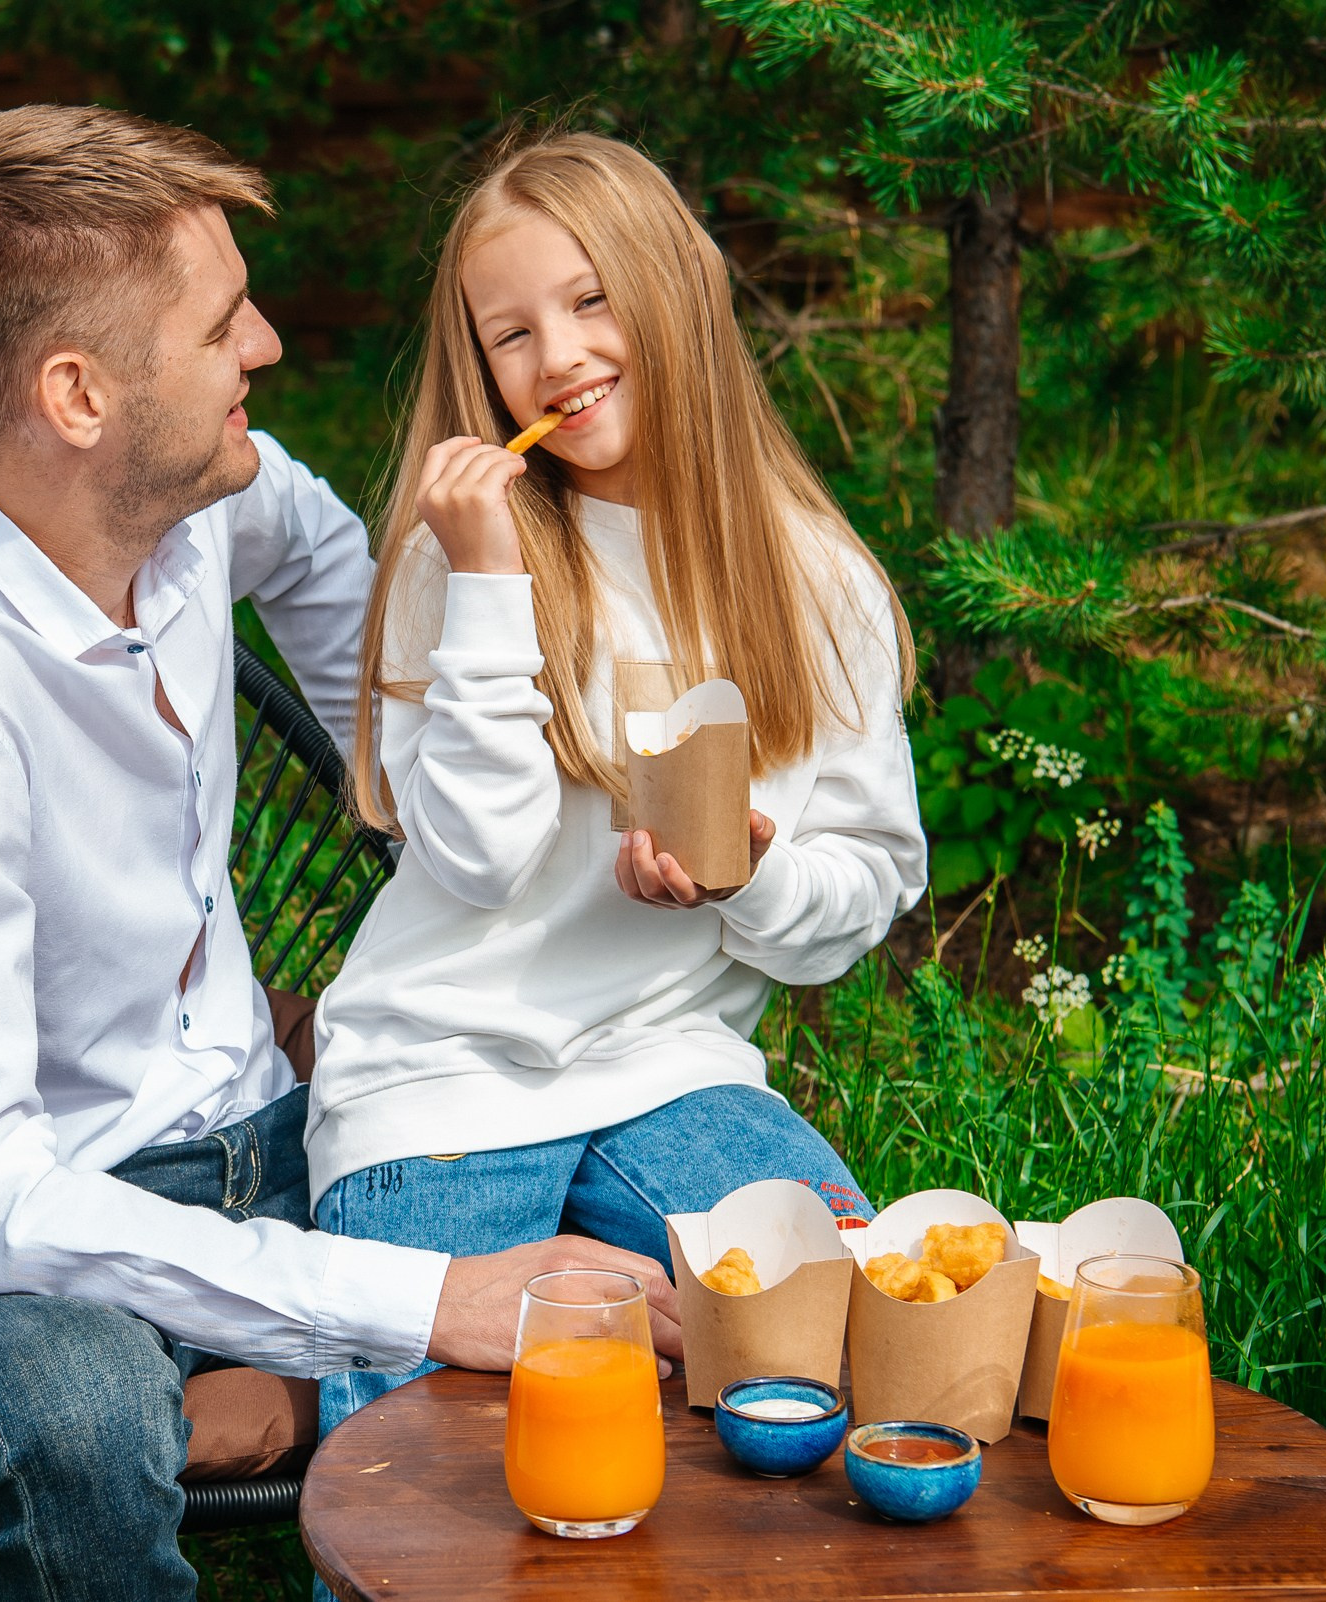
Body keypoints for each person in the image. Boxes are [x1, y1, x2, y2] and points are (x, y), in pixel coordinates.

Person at [0, 106, 680, 1602]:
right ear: (79, 395)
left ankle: (377, 1449)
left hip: (254, 1119)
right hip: (15, 1206)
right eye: (218, 325)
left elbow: (318, 554)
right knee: (78, 1422)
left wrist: (417, 788)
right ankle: (272, 1403)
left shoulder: (187, 501)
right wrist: (430, 1300)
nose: (265, 343)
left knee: (624, 1240)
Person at [307, 132, 927, 1438]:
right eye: (511, 333)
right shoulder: (458, 553)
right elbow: (478, 860)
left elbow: (865, 886)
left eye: (592, 301)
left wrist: (748, 877)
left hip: (671, 1067)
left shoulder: (818, 581)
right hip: (440, 1077)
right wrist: (487, 580)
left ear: (676, 292)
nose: (560, 357)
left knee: (855, 1345)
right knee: (430, 1471)